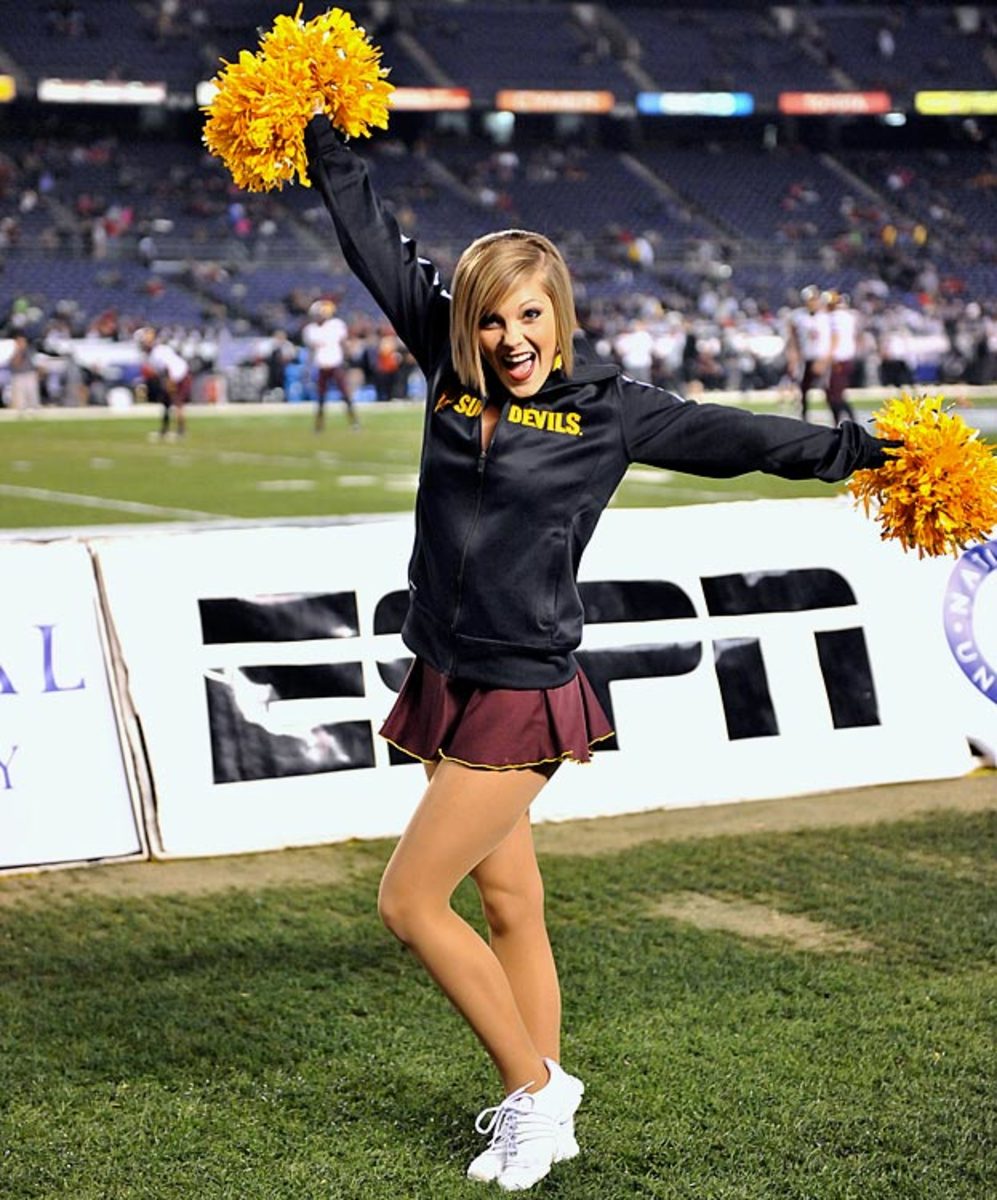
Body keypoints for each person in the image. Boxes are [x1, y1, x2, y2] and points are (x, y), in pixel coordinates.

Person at [303, 113, 896, 1193]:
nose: (508, 339)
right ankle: (545, 1104)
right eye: (489, 321)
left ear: (558, 318)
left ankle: (535, 1096)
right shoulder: (447, 368)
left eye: (528, 317)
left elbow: (745, 437)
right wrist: (322, 138)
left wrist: (863, 454)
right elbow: (369, 239)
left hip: (521, 690)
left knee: (406, 903)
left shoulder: (608, 414)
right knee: (509, 906)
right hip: (443, 670)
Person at [302, 298, 359, 430]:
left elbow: (343, 343)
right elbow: (311, 348)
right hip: (321, 366)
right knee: (321, 397)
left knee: (345, 394)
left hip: (336, 364)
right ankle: (319, 425)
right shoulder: (310, 330)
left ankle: (354, 422)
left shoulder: (336, 325)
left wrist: (347, 358)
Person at [785, 284, 831, 422]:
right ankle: (804, 417)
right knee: (803, 390)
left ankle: (837, 417)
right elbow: (793, 338)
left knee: (830, 391)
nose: (812, 302)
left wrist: (826, 359)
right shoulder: (798, 316)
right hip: (807, 357)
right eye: (810, 299)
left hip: (824, 358)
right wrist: (793, 357)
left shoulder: (827, 316)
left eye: (814, 299)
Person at [139, 328, 191, 438]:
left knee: (177, 403)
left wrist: (170, 382)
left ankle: (181, 431)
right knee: (166, 403)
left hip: (178, 376)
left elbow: (168, 367)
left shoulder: (158, 352)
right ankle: (165, 429)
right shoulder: (157, 351)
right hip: (173, 376)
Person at [824, 290, 859, 426]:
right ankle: (843, 419)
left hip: (838, 359)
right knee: (835, 393)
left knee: (835, 394)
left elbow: (835, 338)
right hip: (846, 358)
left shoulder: (835, 317)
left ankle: (845, 420)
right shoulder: (848, 316)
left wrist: (829, 357)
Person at [8, 334, 42, 411]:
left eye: (23, 341)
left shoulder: (31, 351)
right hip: (18, 376)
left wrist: (38, 374)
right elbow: (15, 363)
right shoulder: (11, 350)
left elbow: (38, 364)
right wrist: (19, 351)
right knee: (20, 401)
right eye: (19, 341)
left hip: (30, 375)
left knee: (33, 398)